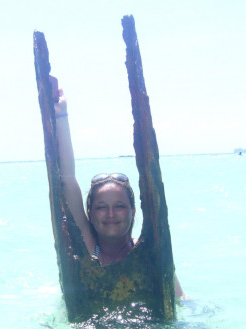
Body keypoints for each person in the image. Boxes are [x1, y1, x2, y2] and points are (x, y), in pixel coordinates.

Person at [54, 84, 184, 298]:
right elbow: (67, 180)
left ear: (133, 211)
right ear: (90, 214)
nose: (111, 214)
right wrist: (61, 115)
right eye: (101, 207)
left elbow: (180, 300)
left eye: (120, 206)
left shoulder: (149, 253)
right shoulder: (89, 249)